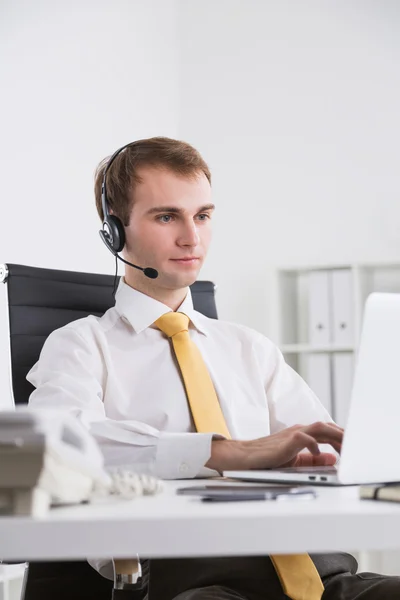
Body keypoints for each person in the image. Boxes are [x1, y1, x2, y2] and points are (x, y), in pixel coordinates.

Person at [28, 137, 400, 599]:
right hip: (192, 580)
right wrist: (222, 452)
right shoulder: (81, 346)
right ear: (114, 232)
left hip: (323, 574)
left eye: (202, 215)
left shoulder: (250, 348)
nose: (192, 237)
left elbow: (326, 451)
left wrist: (329, 465)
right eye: (167, 217)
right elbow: (62, 452)